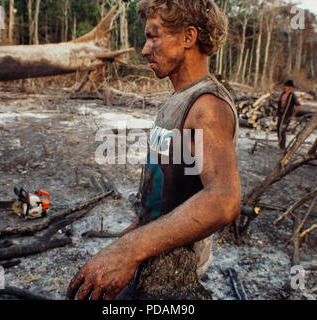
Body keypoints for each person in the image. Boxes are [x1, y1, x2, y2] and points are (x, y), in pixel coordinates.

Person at [67, 0, 241, 300]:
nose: (145, 49)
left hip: (171, 273)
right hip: (151, 256)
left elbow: (224, 199)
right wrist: (134, 232)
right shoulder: (178, 99)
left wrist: (129, 249)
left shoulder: (207, 107)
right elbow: (168, 188)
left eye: (153, 36)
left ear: (188, 38)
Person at [275, 80, 301, 150]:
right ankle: (280, 144)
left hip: (287, 116)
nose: (286, 88)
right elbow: (279, 105)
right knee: (278, 129)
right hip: (280, 114)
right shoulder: (283, 94)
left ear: (291, 87)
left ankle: (282, 147)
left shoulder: (292, 96)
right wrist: (275, 114)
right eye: (286, 86)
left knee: (282, 130)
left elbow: (298, 106)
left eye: (288, 87)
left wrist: (293, 115)